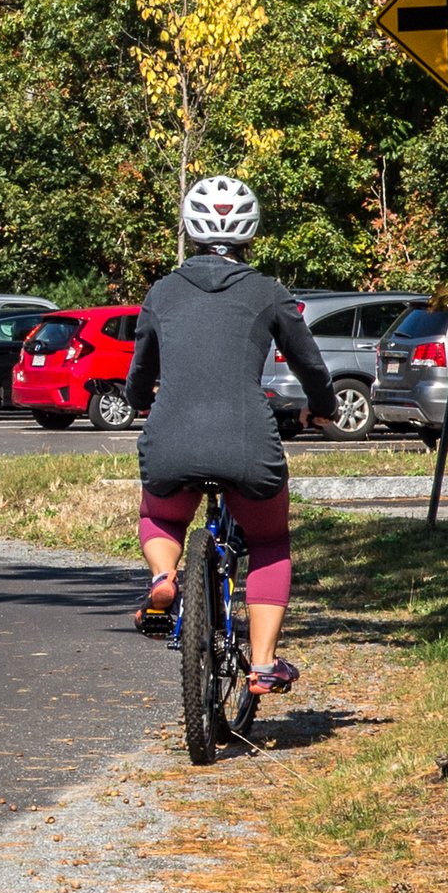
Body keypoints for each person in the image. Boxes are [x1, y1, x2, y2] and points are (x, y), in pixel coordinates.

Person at [127, 176, 331, 695]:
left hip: (171, 438)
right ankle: (263, 663)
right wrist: (322, 408)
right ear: (250, 232)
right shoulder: (268, 292)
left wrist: (139, 402)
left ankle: (162, 579)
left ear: (190, 229)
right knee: (269, 541)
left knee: (160, 515)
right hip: (247, 444)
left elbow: (140, 368)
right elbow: (310, 364)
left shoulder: (162, 292)